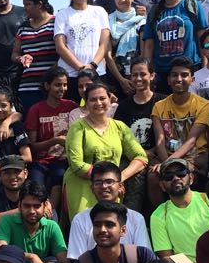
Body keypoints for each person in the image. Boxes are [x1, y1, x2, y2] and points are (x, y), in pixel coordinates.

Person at [63, 82, 148, 218]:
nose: (98, 103)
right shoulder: (77, 127)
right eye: (93, 99)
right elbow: (76, 164)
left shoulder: (119, 126)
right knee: (86, 227)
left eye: (102, 98)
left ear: (110, 99)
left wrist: (119, 178)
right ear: (86, 102)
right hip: (83, 185)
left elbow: (140, 157)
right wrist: (105, 180)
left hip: (110, 188)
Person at [68, 161, 152, 259]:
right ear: (92, 188)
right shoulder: (80, 219)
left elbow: (143, 257)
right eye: (98, 183)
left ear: (120, 186)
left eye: (109, 181)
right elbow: (77, 260)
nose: (104, 186)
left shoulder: (136, 218)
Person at [141, 0, 206, 91]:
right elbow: (149, 46)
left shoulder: (192, 6)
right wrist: (147, 71)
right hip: (163, 74)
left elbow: (202, 40)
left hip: (190, 71)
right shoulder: (154, 12)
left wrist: (205, 69)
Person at [113, 57, 163, 211]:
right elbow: (118, 137)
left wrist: (152, 152)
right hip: (130, 156)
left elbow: (166, 134)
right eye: (134, 75)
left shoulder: (161, 101)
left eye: (143, 74)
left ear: (152, 75)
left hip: (156, 155)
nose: (138, 78)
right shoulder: (124, 106)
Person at [0, 180, 67, 263]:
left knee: (52, 262)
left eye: (36, 206)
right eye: (27, 206)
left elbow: (64, 261)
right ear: (19, 206)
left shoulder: (52, 226)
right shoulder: (7, 221)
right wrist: (32, 257)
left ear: (45, 206)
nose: (32, 211)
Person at [26, 67, 77, 213]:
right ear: (47, 86)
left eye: (65, 85)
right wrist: (54, 141)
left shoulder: (72, 107)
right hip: (41, 161)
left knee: (60, 177)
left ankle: (50, 215)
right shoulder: (36, 110)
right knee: (34, 187)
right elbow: (33, 146)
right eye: (57, 84)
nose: (62, 88)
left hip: (63, 160)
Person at [150, 57, 209, 177]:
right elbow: (160, 141)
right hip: (167, 155)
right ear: (168, 80)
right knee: (153, 175)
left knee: (182, 174)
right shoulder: (158, 106)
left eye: (184, 75)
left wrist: (167, 164)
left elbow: (191, 141)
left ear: (192, 79)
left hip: (195, 156)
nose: (178, 79)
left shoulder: (204, 105)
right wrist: (166, 163)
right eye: (174, 75)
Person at [150, 157, 209, 263]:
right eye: (168, 176)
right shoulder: (158, 215)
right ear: (162, 186)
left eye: (181, 173)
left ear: (191, 178)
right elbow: (166, 257)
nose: (176, 178)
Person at [55, 0, 110, 93]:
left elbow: (105, 43)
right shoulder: (62, 14)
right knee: (73, 110)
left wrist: (92, 66)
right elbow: (60, 46)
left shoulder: (99, 12)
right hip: (70, 74)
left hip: (97, 73)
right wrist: (80, 68)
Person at [12, 0, 57, 112]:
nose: (25, 8)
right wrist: (21, 58)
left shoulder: (56, 23)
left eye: (28, 4)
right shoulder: (23, 28)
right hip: (28, 87)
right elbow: (14, 53)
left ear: (39, 4)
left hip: (51, 86)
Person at [104, 0, 146, 97]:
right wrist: (121, 80)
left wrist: (137, 78)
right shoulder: (108, 21)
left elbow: (144, 54)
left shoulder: (141, 21)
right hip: (114, 79)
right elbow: (107, 54)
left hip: (137, 79)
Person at [0, 90, 31, 186]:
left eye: (4, 105)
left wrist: (0, 166)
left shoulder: (16, 126)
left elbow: (27, 157)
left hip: (12, 175)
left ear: (11, 106)